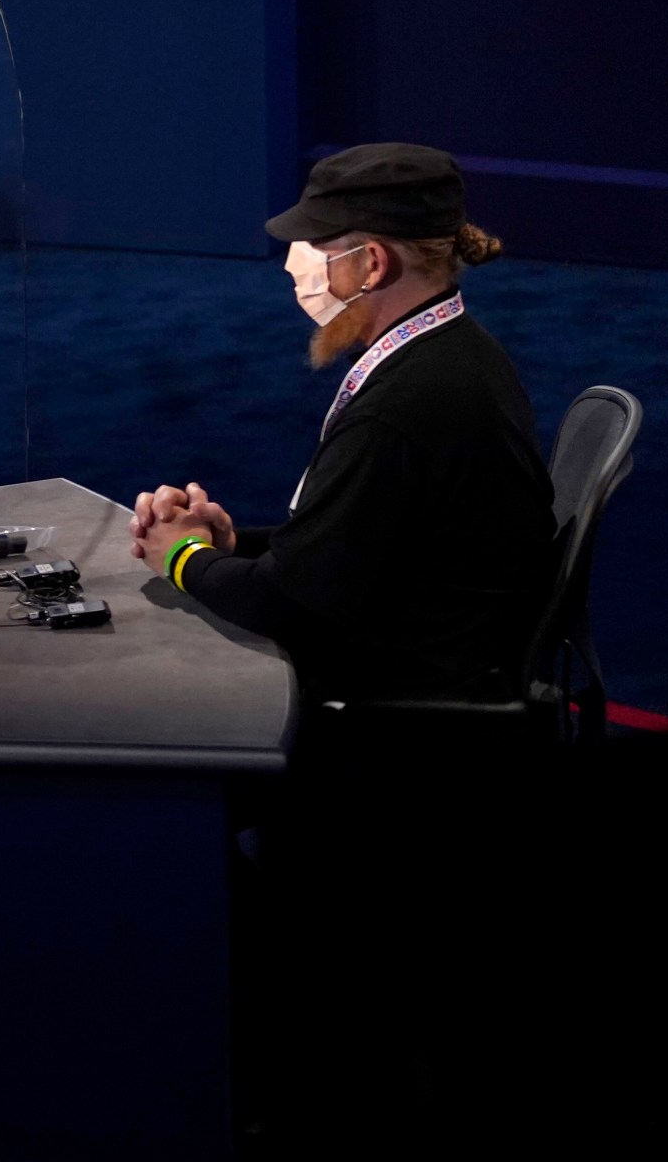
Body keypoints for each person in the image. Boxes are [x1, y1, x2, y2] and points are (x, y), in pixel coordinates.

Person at [129, 143, 558, 1152]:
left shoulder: (408, 403)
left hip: (390, 738)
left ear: (371, 265)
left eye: (314, 248)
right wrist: (237, 542)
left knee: (145, 793)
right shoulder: (446, 358)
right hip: (443, 689)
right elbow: (360, 548)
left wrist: (185, 562)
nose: (295, 267)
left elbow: (300, 606)